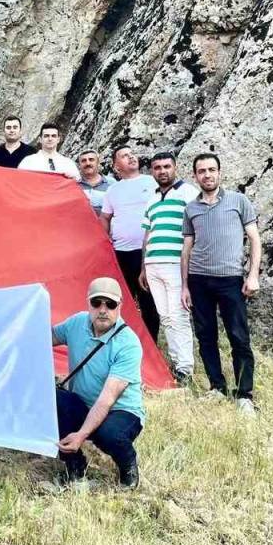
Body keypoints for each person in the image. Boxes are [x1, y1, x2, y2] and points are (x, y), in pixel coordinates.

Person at [181, 153, 261, 414]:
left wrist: (253, 275)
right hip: (199, 280)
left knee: (239, 336)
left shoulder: (238, 201)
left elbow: (255, 239)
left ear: (219, 172)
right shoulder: (191, 209)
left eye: (211, 169)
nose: (207, 175)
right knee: (206, 336)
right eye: (202, 171)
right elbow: (186, 249)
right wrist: (184, 286)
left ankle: (244, 394)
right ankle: (217, 387)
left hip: (230, 280)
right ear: (195, 176)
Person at [51, 277, 145, 488]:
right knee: (52, 400)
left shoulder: (128, 344)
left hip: (120, 410)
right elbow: (46, 337)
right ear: (88, 303)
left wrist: (81, 435)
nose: (103, 310)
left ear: (120, 306)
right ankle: (75, 465)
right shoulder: (76, 323)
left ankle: (128, 466)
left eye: (110, 304)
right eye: (96, 303)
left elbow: (107, 399)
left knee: (109, 434)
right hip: (83, 403)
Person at [137, 152, 199, 386]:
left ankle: (185, 368)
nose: (162, 171)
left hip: (175, 264)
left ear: (175, 168)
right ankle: (176, 362)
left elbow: (198, 226)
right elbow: (147, 234)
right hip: (152, 265)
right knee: (165, 317)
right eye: (157, 167)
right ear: (152, 171)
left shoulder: (188, 193)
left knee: (178, 315)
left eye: (166, 166)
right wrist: (143, 267)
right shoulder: (152, 199)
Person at [100, 145, 159, 340]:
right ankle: (123, 341)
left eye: (132, 154)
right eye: (125, 156)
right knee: (122, 301)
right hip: (122, 253)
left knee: (148, 301)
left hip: (148, 251)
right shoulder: (112, 190)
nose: (131, 157)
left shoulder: (152, 182)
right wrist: (105, 242)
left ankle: (151, 344)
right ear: (116, 166)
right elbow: (105, 218)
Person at [76, 149, 116, 217]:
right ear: (79, 165)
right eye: (83, 161)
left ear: (98, 162)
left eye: (91, 160)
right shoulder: (74, 185)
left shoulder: (111, 183)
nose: (87, 163)